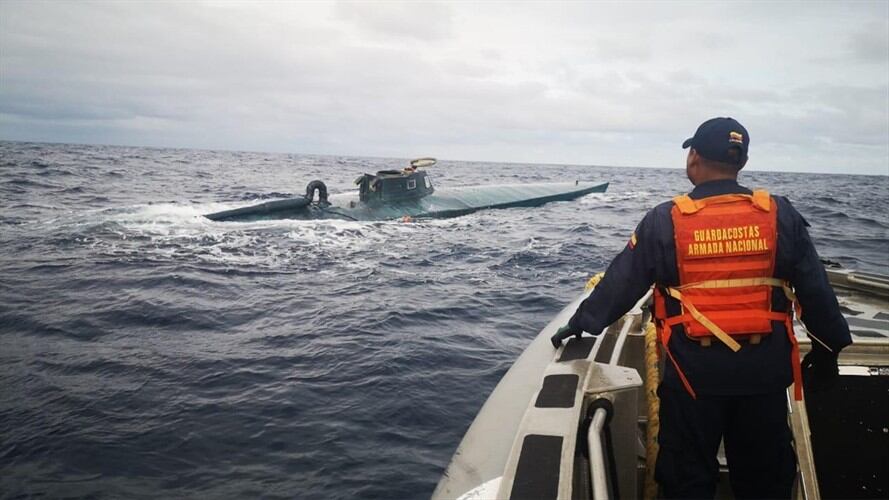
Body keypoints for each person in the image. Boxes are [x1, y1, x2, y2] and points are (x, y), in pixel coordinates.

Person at [551, 117, 851, 499]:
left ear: (694, 157)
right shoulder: (780, 215)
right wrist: (829, 352)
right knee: (765, 479)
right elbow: (816, 291)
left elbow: (620, 286)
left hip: (692, 376)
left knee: (686, 477)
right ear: (740, 161)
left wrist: (580, 323)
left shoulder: (665, 219)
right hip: (764, 375)